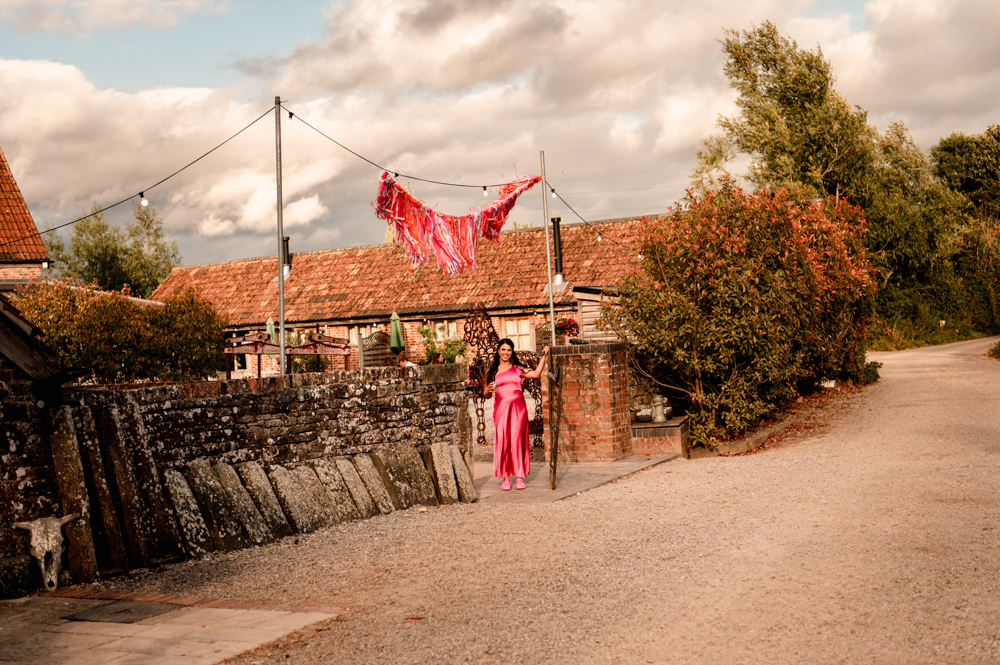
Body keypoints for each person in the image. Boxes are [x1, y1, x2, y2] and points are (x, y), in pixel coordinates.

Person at [482, 338, 549, 490]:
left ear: (512, 352)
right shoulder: (492, 371)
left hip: (518, 409)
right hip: (501, 410)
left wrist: (543, 356)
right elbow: (486, 394)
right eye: (503, 349)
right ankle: (506, 478)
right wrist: (487, 391)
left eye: (509, 350)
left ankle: (520, 476)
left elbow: (536, 374)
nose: (506, 352)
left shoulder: (518, 368)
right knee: (504, 441)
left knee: (518, 440)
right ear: (498, 350)